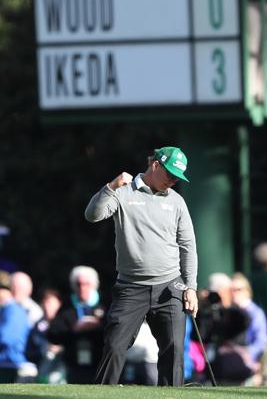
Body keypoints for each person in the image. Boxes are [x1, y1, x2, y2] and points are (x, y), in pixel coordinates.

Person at [85, 146, 198, 387]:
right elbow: (92, 215)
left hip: (170, 286)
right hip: (130, 286)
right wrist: (110, 187)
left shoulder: (177, 202)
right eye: (170, 175)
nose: (173, 181)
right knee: (114, 347)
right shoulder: (123, 192)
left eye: (178, 178)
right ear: (155, 165)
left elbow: (188, 246)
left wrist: (191, 287)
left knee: (175, 350)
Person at [47, 266, 105, 384]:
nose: (82, 288)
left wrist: (99, 327)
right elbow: (52, 334)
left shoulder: (105, 304)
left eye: (86, 284)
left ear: (94, 285)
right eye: (79, 284)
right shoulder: (67, 307)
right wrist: (73, 330)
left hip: (99, 363)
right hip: (73, 365)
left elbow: (116, 332)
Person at [231, 272, 267, 386]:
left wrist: (243, 355)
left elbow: (260, 342)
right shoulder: (229, 311)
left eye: (238, 290)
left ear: (247, 291)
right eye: (231, 290)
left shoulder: (256, 313)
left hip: (249, 366)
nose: (234, 293)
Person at [25, 288, 66, 384]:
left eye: (52, 304)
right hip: (41, 362)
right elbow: (32, 348)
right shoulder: (39, 326)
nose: (48, 307)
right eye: (46, 303)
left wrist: (61, 348)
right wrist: (46, 348)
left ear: (59, 304)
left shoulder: (64, 323)